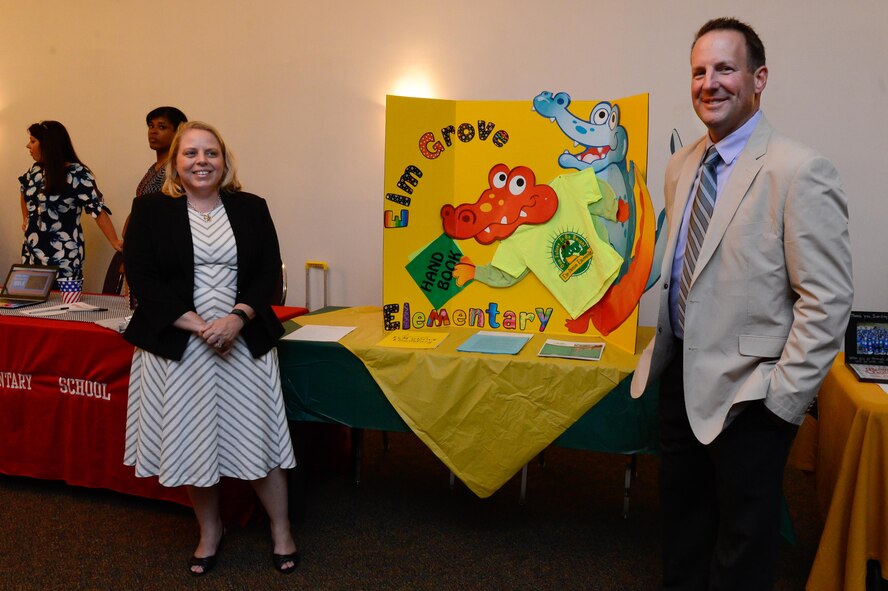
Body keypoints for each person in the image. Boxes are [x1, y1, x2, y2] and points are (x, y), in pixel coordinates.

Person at [630, 17, 853, 591]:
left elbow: (825, 301)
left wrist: (780, 405)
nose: (710, 83)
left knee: (743, 549)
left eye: (725, 68)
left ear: (759, 79)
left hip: (750, 397)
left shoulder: (799, 170)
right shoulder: (683, 166)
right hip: (679, 380)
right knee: (682, 532)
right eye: (699, 71)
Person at [123, 121, 299, 576]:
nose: (202, 161)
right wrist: (202, 327)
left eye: (211, 153)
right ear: (174, 164)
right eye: (191, 154)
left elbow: (267, 276)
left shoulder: (251, 207)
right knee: (192, 441)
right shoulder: (148, 211)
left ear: (225, 161)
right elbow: (143, 279)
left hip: (243, 339)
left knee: (258, 436)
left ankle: (281, 530)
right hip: (179, 345)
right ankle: (210, 530)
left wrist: (236, 319)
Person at [19, 121, 123, 280]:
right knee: (32, 303)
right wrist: (26, 219)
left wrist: (114, 241)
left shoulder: (77, 174)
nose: (28, 145)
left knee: (64, 304)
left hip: (64, 256)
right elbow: (24, 192)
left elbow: (96, 209)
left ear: (48, 144)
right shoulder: (35, 171)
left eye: (33, 141)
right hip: (33, 254)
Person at [135, 106, 188, 198]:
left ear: (178, 132)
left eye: (161, 127)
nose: (153, 131)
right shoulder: (154, 168)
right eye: (151, 126)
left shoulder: (177, 168)